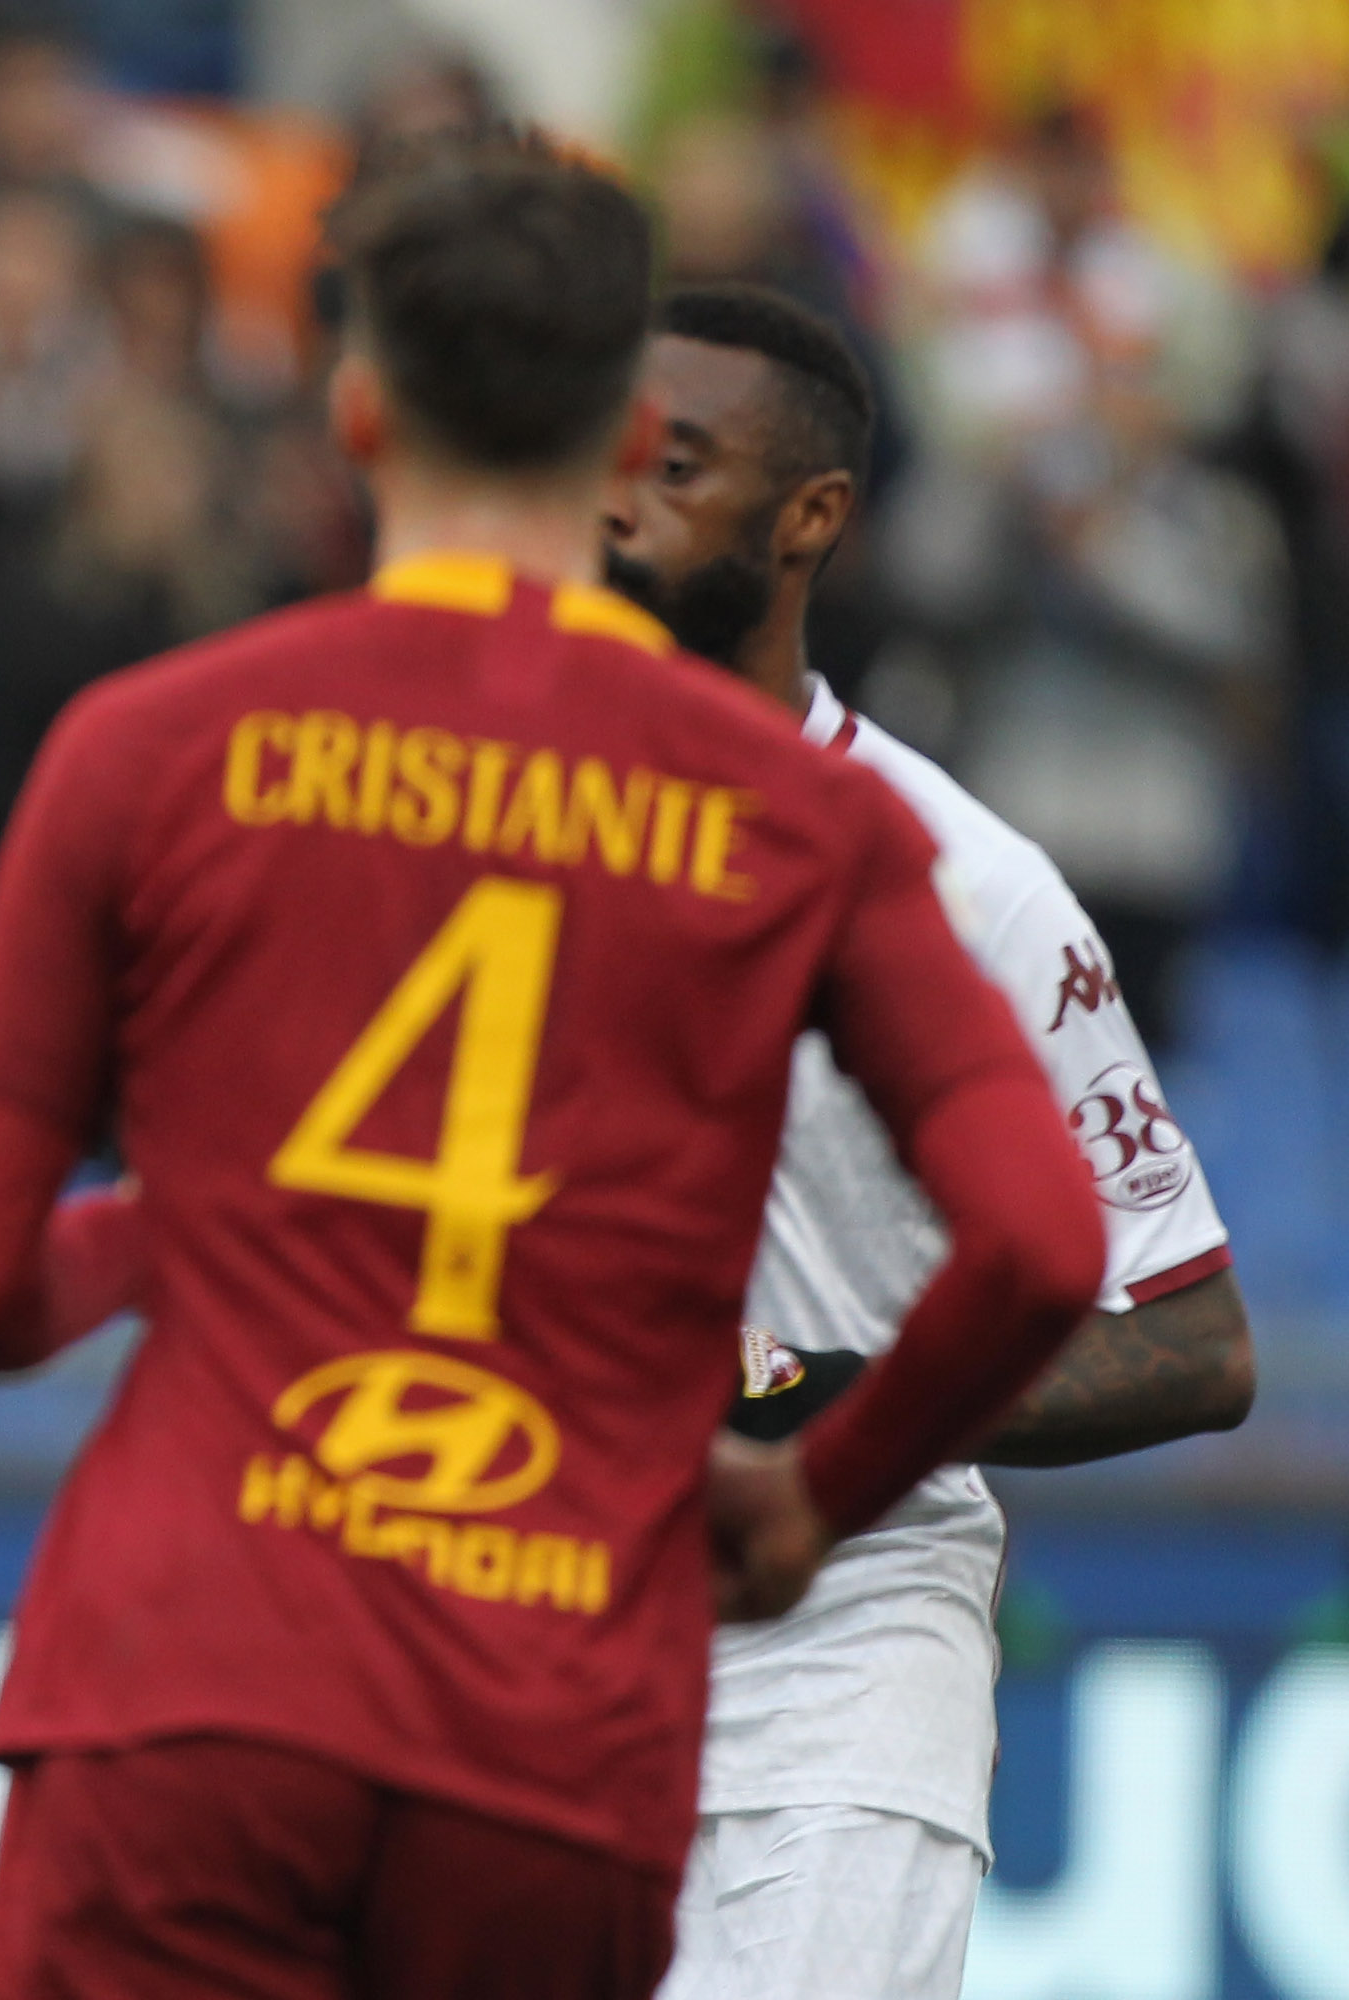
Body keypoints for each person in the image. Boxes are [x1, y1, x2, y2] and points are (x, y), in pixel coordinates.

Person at [0, 137, 1107, 1999]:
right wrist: (815, 1499)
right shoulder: (801, 823)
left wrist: (159, 1231)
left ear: (357, 408)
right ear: (624, 437)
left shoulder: (151, 746)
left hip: (188, 1683)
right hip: (553, 1742)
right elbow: (1038, 1248)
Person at [601, 281, 1251, 2000]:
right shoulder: (481, 814)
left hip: (832, 1648)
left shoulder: (970, 884)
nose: (617, 502)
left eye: (679, 466)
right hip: (525, 1612)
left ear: (810, 518)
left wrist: (809, 1391)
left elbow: (1193, 1342)